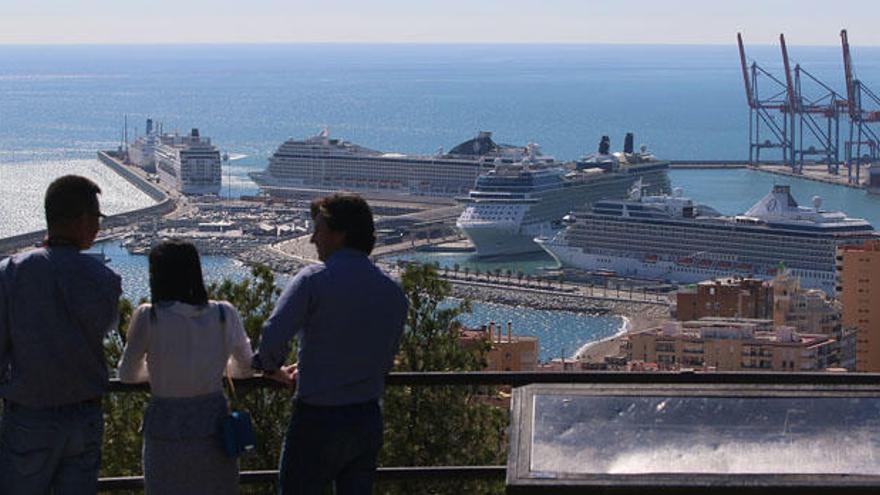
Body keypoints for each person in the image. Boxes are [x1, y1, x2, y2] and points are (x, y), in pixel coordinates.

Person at [252, 194, 408, 495]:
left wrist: (270, 368)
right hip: (367, 417)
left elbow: (273, 335)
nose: (312, 239)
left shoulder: (314, 279)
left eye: (319, 230)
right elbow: (384, 357)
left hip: (318, 418)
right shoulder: (392, 291)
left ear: (340, 234)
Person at [0, 175, 122, 494]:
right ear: (82, 220)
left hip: (28, 415)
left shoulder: (11, 272)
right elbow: (104, 326)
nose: (98, 227)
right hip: (84, 414)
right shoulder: (104, 278)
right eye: (96, 218)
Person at [117, 240, 254, 495]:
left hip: (165, 425)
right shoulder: (225, 313)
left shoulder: (150, 316)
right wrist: (215, 366)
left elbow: (126, 375)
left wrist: (159, 372)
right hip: (213, 424)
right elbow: (245, 368)